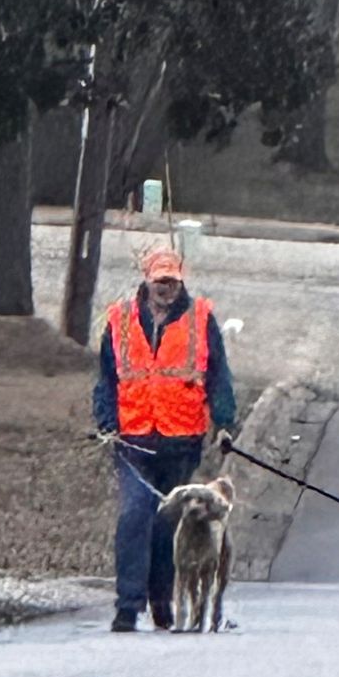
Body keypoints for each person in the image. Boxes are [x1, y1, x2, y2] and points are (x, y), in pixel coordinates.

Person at [93, 244, 237, 631]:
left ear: (181, 281)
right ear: (146, 280)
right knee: (134, 513)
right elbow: (106, 379)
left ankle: (162, 599)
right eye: (160, 281)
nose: (166, 288)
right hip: (132, 440)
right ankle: (127, 605)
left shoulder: (200, 319)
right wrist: (106, 421)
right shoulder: (119, 321)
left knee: (168, 526)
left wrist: (223, 422)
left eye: (172, 282)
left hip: (181, 440)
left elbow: (218, 374)